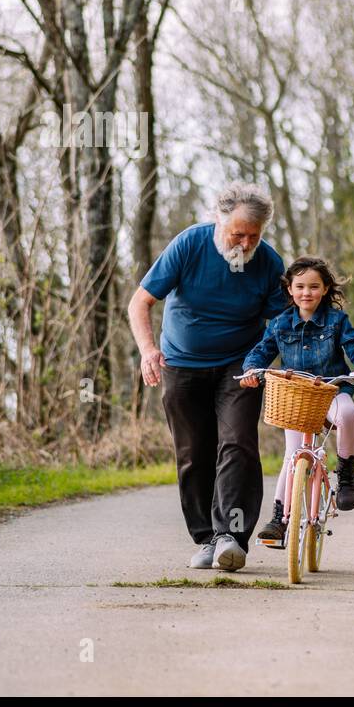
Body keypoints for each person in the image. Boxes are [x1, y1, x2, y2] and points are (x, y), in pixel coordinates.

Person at [127, 183, 287, 571]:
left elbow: (281, 321)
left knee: (238, 444)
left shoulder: (268, 263)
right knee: (194, 454)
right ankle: (206, 538)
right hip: (183, 364)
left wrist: (270, 361)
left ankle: (231, 536)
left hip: (240, 366)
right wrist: (149, 351)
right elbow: (140, 302)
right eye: (238, 233)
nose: (245, 243)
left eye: (254, 235)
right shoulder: (190, 245)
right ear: (219, 220)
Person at [239, 255, 354, 547]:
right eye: (300, 286)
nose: (307, 293)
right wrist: (251, 371)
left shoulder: (337, 321)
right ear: (289, 289)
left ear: (326, 289)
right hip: (297, 397)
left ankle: (346, 473)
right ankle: (280, 518)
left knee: (349, 415)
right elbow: (261, 351)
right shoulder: (279, 324)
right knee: (292, 456)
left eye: (314, 286)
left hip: (332, 391)